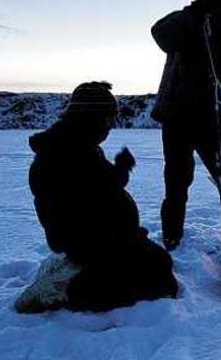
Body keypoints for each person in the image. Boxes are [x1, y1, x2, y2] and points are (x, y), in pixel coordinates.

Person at [27, 81, 178, 312]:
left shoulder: (79, 144)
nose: (109, 127)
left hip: (105, 236)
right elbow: (79, 209)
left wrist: (120, 170)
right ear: (90, 116)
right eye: (107, 119)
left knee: (159, 262)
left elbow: (104, 187)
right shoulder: (64, 153)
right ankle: (70, 290)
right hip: (89, 242)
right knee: (158, 280)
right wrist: (119, 239)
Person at [151, 0, 221, 260]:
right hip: (177, 118)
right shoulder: (191, 27)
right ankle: (171, 237)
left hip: (210, 121)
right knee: (176, 181)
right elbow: (160, 33)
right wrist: (193, 12)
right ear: (219, 9)